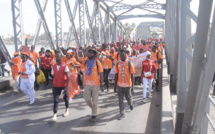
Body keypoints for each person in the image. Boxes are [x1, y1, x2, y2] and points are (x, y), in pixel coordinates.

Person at [75, 47, 104, 122]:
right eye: (89, 52)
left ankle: (94, 114)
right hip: (87, 84)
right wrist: (76, 52)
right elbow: (78, 60)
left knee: (94, 100)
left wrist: (102, 84)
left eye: (92, 53)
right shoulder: (85, 61)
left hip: (95, 84)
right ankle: (94, 108)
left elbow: (101, 74)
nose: (90, 54)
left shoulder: (97, 62)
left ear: (94, 54)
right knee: (87, 98)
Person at [114, 50, 135, 120]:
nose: (121, 56)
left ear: (125, 55)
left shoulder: (129, 63)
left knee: (128, 98)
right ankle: (122, 113)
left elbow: (132, 75)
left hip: (128, 85)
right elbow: (116, 75)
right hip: (120, 85)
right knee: (120, 100)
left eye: (123, 55)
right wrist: (115, 86)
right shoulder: (117, 64)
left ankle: (130, 104)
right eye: (120, 55)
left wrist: (133, 87)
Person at [51, 51, 69, 122]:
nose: (56, 58)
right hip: (56, 86)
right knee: (55, 100)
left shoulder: (65, 66)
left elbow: (68, 77)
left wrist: (66, 87)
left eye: (58, 56)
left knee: (65, 98)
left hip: (63, 86)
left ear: (61, 57)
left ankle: (67, 109)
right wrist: (53, 86)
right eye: (55, 56)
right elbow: (54, 76)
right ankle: (54, 114)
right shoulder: (54, 66)